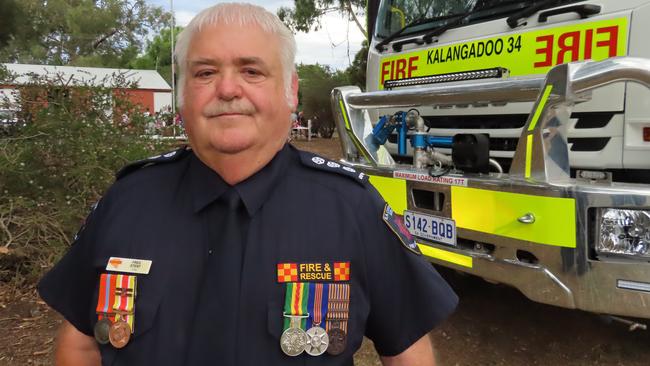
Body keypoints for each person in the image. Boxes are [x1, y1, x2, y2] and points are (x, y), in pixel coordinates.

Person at [38, 3, 457, 366]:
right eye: (205, 73)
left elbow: (407, 352)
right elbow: (81, 347)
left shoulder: (352, 208)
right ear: (183, 94)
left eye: (251, 70)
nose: (226, 89)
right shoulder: (127, 201)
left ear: (290, 90)